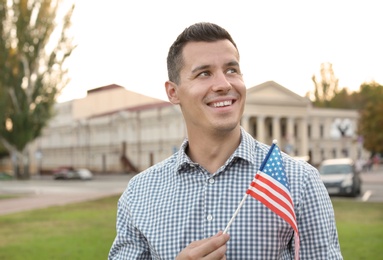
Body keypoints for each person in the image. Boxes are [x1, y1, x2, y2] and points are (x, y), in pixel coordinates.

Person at [108, 22, 343, 259]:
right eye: (204, 73)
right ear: (173, 92)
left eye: (231, 70)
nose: (223, 84)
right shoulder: (139, 193)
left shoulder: (299, 181)